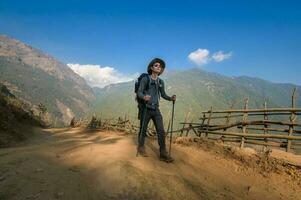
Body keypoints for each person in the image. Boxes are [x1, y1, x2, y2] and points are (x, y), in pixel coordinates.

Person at [137, 58, 176, 162]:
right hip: (146, 108)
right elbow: (139, 92)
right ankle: (141, 147)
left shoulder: (161, 82)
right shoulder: (146, 79)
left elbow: (163, 95)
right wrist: (144, 97)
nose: (158, 67)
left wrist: (170, 98)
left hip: (156, 109)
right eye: (156, 65)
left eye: (160, 66)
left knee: (161, 131)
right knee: (143, 129)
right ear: (151, 68)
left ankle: (163, 153)